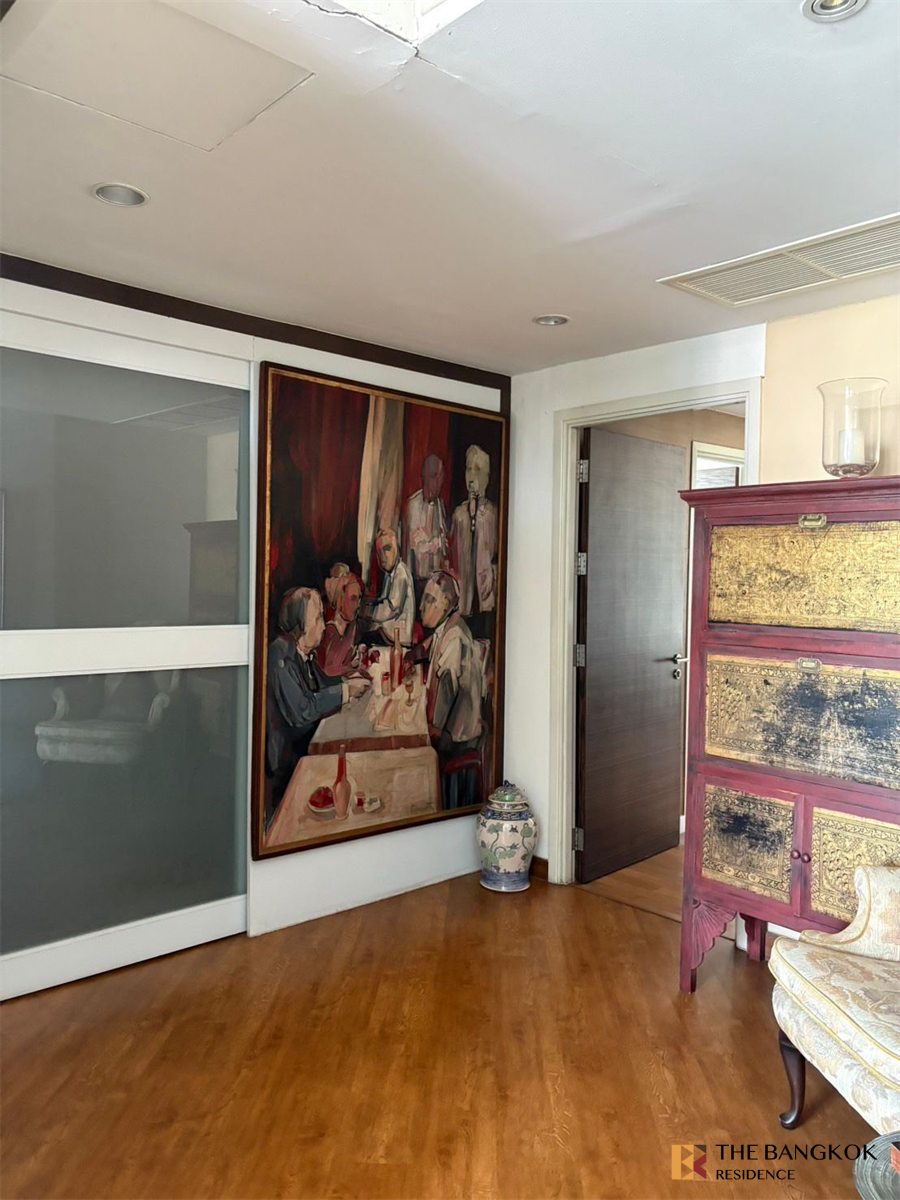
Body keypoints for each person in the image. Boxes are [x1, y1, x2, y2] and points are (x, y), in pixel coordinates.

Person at [266, 586, 369, 819]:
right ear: (301, 626)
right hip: (287, 768)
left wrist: (347, 680)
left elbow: (323, 682)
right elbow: (303, 709)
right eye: (318, 619)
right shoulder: (280, 658)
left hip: (307, 749)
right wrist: (346, 691)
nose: (323, 626)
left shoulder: (304, 652)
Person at [407, 570, 482, 755]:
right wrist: (410, 657)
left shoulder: (454, 637)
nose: (421, 607)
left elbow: (445, 697)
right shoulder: (448, 625)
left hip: (456, 739)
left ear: (446, 604)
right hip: (448, 729)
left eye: (430, 600)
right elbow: (429, 645)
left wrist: (428, 727)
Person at [450, 444, 498, 619]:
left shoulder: (493, 514)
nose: (471, 476)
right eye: (468, 469)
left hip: (486, 596)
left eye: (477, 470)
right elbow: (453, 556)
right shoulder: (459, 514)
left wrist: (492, 577)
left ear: (486, 476)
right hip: (463, 599)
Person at [360, 528, 415, 647]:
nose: (382, 556)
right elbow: (382, 601)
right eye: (379, 552)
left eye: (387, 549)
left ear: (397, 549)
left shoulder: (401, 574)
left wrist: (366, 611)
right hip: (389, 632)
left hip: (397, 637)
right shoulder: (388, 575)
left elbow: (390, 610)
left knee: (362, 637)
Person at [403, 454, 449, 591]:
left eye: (441, 477)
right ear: (424, 476)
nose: (438, 482)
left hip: (436, 580)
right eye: (434, 476)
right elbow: (415, 546)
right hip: (418, 580)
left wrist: (436, 543)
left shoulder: (440, 505)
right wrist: (434, 544)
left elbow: (444, 542)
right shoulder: (413, 505)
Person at [318, 564, 363, 677]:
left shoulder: (352, 626)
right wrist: (351, 668)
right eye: (353, 599)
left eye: (359, 598)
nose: (358, 605)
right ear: (340, 599)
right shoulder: (330, 631)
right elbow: (329, 672)